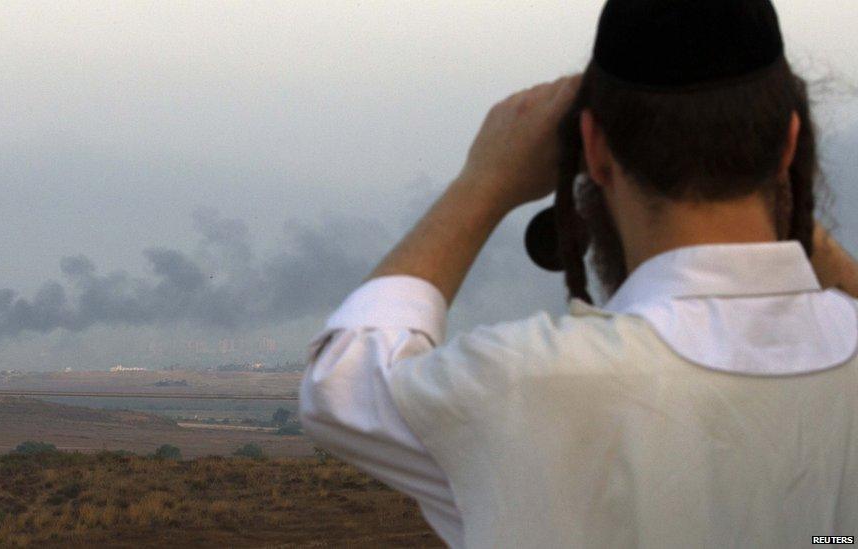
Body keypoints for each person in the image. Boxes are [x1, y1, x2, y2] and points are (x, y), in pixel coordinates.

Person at [300, 0, 858, 547]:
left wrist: (484, 183)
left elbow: (345, 380)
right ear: (789, 143)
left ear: (594, 149)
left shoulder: (528, 387)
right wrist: (794, 210)